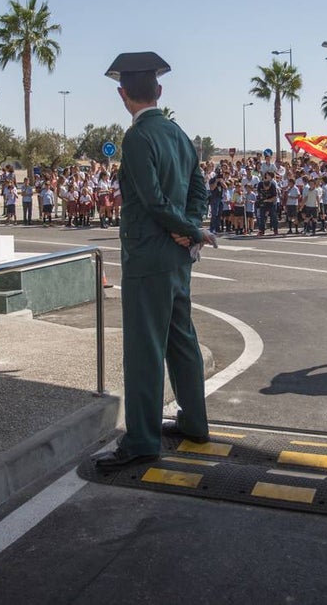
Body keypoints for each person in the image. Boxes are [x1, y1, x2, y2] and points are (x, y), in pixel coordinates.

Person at [92, 52, 216, 472]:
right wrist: (191, 226)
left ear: (123, 95)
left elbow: (151, 200)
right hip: (178, 257)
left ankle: (142, 440)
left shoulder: (137, 138)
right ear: (159, 91)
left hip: (148, 255)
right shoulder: (178, 134)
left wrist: (187, 228)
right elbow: (198, 188)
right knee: (182, 338)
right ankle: (195, 421)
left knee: (145, 349)